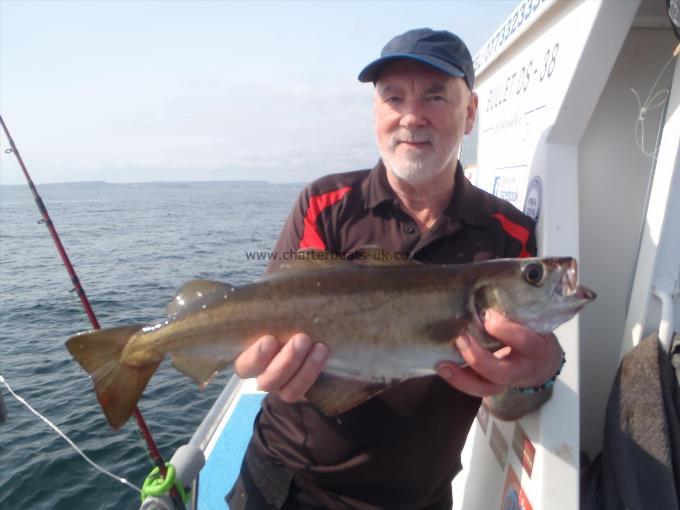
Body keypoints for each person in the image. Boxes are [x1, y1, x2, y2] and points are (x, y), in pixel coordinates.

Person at [227, 28, 564, 510]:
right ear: (376, 113)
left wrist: (535, 375)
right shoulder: (325, 204)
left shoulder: (511, 237)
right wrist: (262, 361)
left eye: (435, 95)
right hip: (289, 485)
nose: (411, 116)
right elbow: (274, 319)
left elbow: (505, 403)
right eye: (393, 97)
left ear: (470, 114)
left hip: (419, 500)